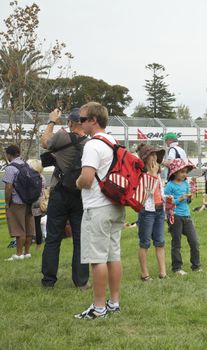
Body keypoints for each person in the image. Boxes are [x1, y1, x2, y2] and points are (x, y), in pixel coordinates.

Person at [74, 102, 126, 319]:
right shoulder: (113, 142)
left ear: (93, 120)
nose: (80, 123)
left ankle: (98, 307)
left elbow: (86, 179)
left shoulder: (92, 145)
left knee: (98, 259)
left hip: (97, 206)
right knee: (113, 255)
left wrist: (76, 182)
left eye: (83, 119)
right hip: (115, 205)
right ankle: (113, 302)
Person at [40, 108, 89, 288]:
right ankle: (81, 281)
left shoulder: (62, 136)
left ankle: (48, 280)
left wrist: (52, 121)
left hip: (59, 193)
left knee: (53, 238)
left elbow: (45, 142)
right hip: (79, 194)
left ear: (70, 123)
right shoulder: (89, 143)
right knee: (80, 238)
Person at [136, 144, 167, 282]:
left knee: (160, 242)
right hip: (147, 212)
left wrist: (167, 199)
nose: (155, 158)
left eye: (156, 155)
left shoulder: (158, 174)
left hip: (160, 210)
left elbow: (160, 192)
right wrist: (153, 175)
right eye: (152, 155)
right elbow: (147, 193)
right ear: (145, 159)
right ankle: (145, 274)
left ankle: (163, 272)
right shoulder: (142, 175)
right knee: (145, 242)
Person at [164, 159, 201, 275]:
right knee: (177, 242)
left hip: (187, 216)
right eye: (182, 172)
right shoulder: (169, 186)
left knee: (194, 242)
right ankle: (177, 268)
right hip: (175, 216)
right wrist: (179, 199)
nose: (185, 174)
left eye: (186, 172)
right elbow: (167, 203)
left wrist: (190, 197)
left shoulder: (185, 183)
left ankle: (196, 266)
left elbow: (188, 201)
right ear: (175, 172)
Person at [3, 145, 35, 261]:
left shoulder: (11, 168)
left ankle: (18, 254)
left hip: (17, 201)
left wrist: (7, 201)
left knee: (19, 228)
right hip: (28, 201)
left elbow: (8, 186)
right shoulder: (27, 165)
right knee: (29, 227)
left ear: (9, 154)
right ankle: (27, 253)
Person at [27, 159, 46, 252]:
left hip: (33, 202)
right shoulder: (42, 177)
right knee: (37, 224)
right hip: (40, 202)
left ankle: (27, 246)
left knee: (30, 224)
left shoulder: (31, 177)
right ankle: (38, 246)